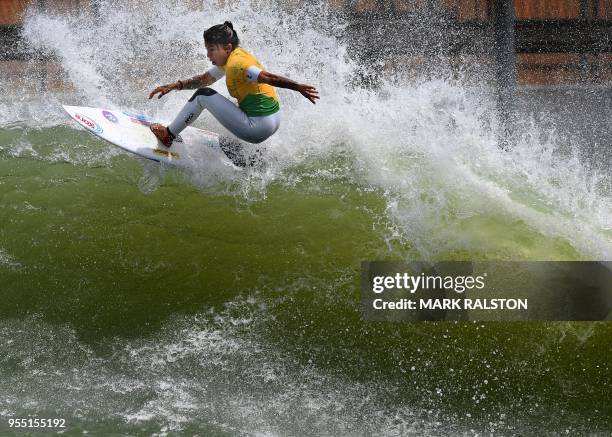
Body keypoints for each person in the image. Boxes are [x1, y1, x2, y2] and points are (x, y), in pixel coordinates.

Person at [148, 21, 319, 147]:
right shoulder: (232, 58)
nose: (208, 55)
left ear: (227, 47)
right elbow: (204, 79)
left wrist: (298, 87)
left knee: (203, 95)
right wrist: (175, 85)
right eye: (207, 49)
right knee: (226, 136)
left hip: (257, 127)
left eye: (212, 49)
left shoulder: (238, 64)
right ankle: (249, 158)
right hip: (272, 121)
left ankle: (168, 135)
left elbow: (270, 78)